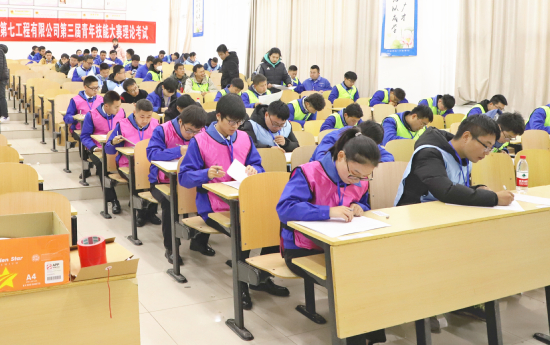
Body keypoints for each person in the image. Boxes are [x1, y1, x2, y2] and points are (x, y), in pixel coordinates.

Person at [277, 127, 387, 344]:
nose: (358, 180)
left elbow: (362, 201)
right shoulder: (308, 173)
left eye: (365, 176)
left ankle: (372, 335)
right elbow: (285, 208)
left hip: (342, 247)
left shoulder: (360, 178)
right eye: (354, 174)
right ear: (341, 156)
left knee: (376, 273)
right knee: (351, 281)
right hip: (302, 250)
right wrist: (327, 211)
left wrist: (359, 207)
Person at [179, 94, 286, 308]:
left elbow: (258, 165)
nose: (235, 126)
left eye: (239, 122)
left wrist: (255, 169)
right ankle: (242, 285)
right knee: (243, 230)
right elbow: (184, 177)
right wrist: (206, 173)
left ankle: (261, 277)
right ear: (218, 116)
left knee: (275, 222)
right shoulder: (200, 141)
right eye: (231, 122)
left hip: (244, 201)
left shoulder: (244, 138)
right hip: (213, 207)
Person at [394, 115, 515, 207]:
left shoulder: (465, 156)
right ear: (466, 137)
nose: (487, 152)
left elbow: (455, 187)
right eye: (486, 146)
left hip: (443, 211)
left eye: (491, 148)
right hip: (414, 215)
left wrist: (477, 189)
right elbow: (445, 191)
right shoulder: (429, 153)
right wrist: (494, 198)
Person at [148, 105, 211, 264]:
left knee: (209, 197)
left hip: (190, 181)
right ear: (180, 121)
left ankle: (199, 242)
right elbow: (151, 154)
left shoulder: (203, 132)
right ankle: (171, 248)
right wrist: (178, 151)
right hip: (162, 181)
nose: (193, 135)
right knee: (170, 203)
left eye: (197, 132)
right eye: (189, 130)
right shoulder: (162, 130)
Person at [105, 99, 160, 219]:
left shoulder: (156, 124)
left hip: (149, 163)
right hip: (127, 164)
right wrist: (113, 142)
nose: (145, 120)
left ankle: (152, 212)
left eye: (149, 116)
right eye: (142, 116)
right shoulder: (122, 125)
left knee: (158, 175)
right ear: (135, 112)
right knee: (137, 176)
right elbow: (108, 149)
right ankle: (140, 213)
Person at [79, 91, 126, 198]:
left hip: (117, 148)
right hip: (98, 149)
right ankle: (111, 200)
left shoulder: (122, 112)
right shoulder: (92, 115)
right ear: (106, 106)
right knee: (102, 164)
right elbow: (84, 136)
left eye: (119, 106)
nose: (118, 109)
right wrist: (94, 148)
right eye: (116, 107)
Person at [310, 120, 394, 163]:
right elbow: (322, 161)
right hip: (321, 178)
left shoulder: (368, 140)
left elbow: (388, 157)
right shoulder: (332, 138)